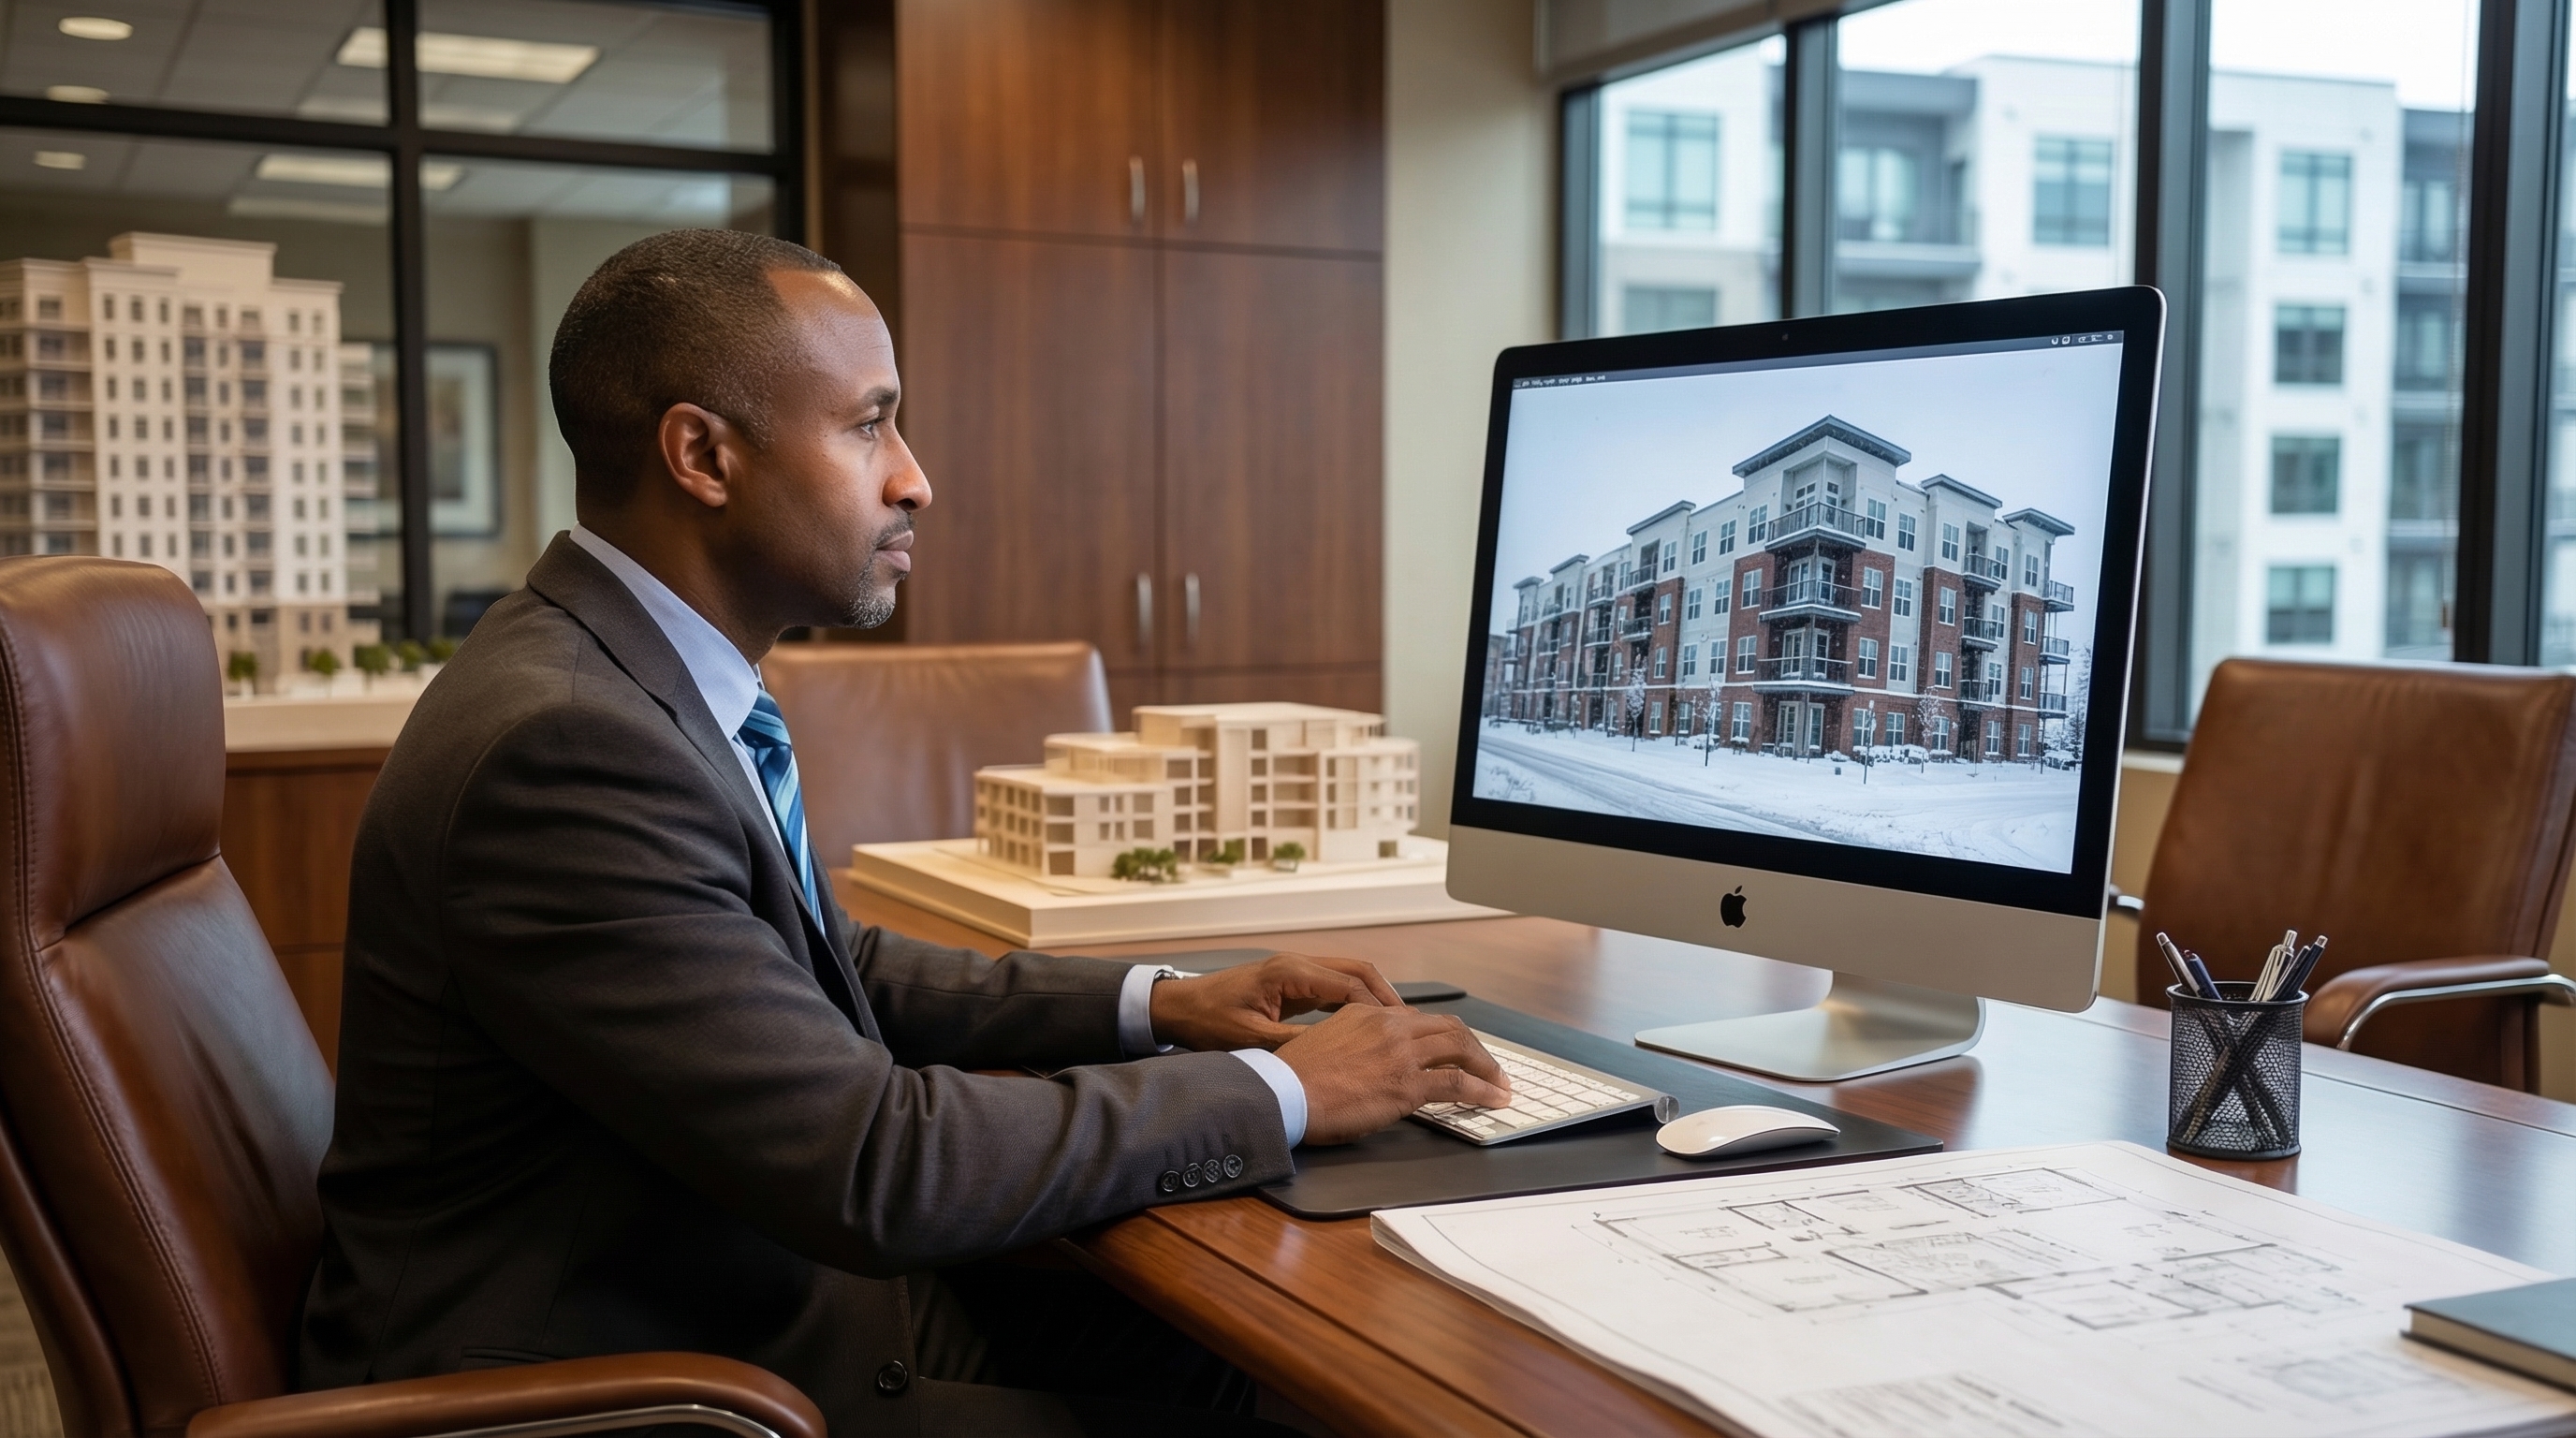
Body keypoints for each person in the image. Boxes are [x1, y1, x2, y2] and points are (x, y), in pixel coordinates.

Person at [296, 228, 1511, 1435]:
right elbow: (879, 1165)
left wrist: (1159, 1004)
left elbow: (836, 966)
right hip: (638, 1385)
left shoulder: (640, 681)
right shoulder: (567, 750)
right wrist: (1279, 1092)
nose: (914, 476)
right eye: (869, 424)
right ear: (703, 455)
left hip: (740, 1295)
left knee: (1245, 1366)